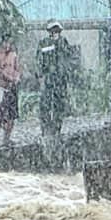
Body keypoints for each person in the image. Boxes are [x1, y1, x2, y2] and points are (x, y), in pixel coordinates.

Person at [35, 19, 76, 150]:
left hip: (60, 81)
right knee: (45, 106)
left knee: (59, 106)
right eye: (53, 30)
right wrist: (40, 76)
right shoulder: (43, 43)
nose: (55, 32)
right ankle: (45, 131)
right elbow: (39, 61)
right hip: (48, 80)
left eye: (57, 30)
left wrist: (68, 77)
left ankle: (57, 130)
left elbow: (69, 60)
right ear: (49, 31)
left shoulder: (64, 42)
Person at [0, 31, 22, 146]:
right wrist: (9, 79)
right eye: (6, 42)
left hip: (12, 88)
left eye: (10, 43)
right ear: (1, 43)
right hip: (0, 88)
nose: (8, 45)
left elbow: (17, 69)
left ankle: (7, 138)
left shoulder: (13, 55)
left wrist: (16, 78)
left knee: (11, 114)